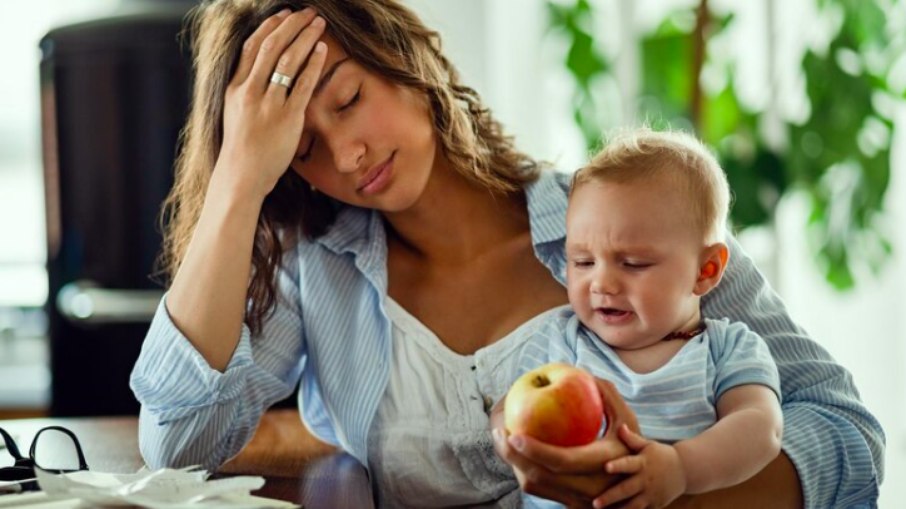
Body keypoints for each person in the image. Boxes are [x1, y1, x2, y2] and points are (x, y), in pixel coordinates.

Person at [128, 0, 884, 507]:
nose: (348, 153)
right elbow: (179, 442)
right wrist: (235, 183)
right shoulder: (318, 271)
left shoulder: (628, 229)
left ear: (404, 58)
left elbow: (849, 437)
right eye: (300, 148)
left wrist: (665, 486)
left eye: (349, 99)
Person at [498, 128, 783, 509]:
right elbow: (509, 409)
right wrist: (508, 438)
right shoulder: (561, 340)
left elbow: (761, 427)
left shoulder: (727, 348)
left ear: (706, 270)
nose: (601, 282)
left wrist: (682, 468)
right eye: (582, 262)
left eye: (633, 263)